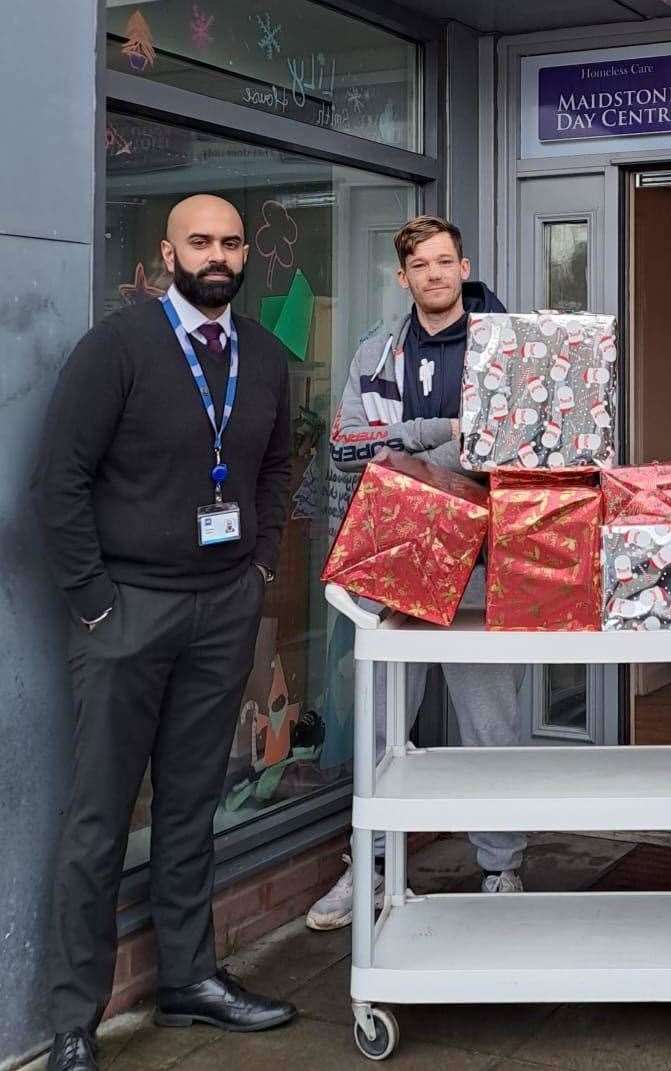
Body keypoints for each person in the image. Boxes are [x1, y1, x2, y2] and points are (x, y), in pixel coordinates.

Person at [34, 195, 296, 1071]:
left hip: (222, 606)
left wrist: (258, 566)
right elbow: (59, 479)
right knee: (100, 818)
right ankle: (75, 1015)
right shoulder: (118, 346)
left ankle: (190, 979)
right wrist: (96, 602)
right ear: (168, 251)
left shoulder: (261, 354)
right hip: (128, 610)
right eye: (200, 242)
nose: (217, 255)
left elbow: (275, 466)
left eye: (229, 242)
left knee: (191, 806)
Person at [307, 214, 525, 932]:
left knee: (491, 725)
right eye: (419, 266)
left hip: (485, 560)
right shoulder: (377, 350)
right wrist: (443, 437)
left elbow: (523, 448)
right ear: (403, 278)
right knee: (379, 724)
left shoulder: (510, 352)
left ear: (464, 266)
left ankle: (502, 865)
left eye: (443, 261)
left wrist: (415, 444)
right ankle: (365, 868)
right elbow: (344, 446)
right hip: (397, 555)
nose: (433, 274)